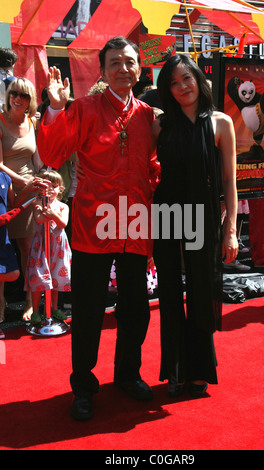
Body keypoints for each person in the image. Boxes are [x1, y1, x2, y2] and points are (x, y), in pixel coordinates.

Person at [37, 36, 160, 421]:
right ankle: (84, 385)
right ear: (103, 71)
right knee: (89, 309)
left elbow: (154, 165)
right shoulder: (84, 108)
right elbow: (52, 154)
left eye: (129, 62)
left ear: (139, 69)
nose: (123, 69)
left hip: (136, 224)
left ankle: (127, 373)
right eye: (115, 63)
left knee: (136, 308)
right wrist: (57, 110)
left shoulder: (148, 116)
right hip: (94, 223)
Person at [151, 54, 238, 397]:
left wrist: (230, 228)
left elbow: (229, 181)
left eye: (186, 78)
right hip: (167, 215)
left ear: (199, 80)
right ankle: (174, 369)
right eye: (173, 82)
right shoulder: (160, 125)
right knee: (169, 293)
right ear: (166, 89)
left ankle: (200, 369)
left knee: (201, 292)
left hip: (203, 216)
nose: (181, 87)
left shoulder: (221, 123)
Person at [0, 77, 44, 321]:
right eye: (14, 93)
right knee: (2, 247)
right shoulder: (0, 120)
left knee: (28, 248)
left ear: (30, 100)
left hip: (29, 193)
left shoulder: (31, 121)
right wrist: (22, 182)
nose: (18, 98)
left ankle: (30, 301)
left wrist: (42, 180)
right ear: (8, 95)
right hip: (5, 192)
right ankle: (1, 302)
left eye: (24, 95)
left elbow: (36, 159)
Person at [0, 170, 47, 338]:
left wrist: (27, 189)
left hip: (2, 235)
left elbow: (14, 202)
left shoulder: (4, 177)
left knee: (12, 273)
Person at [25, 170, 71, 325]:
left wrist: (52, 215)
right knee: (39, 277)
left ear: (60, 189)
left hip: (58, 246)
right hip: (41, 247)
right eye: (47, 185)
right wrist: (49, 214)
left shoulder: (63, 206)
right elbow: (38, 219)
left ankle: (54, 307)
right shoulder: (37, 203)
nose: (51, 189)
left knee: (56, 277)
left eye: (54, 185)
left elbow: (63, 223)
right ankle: (36, 311)